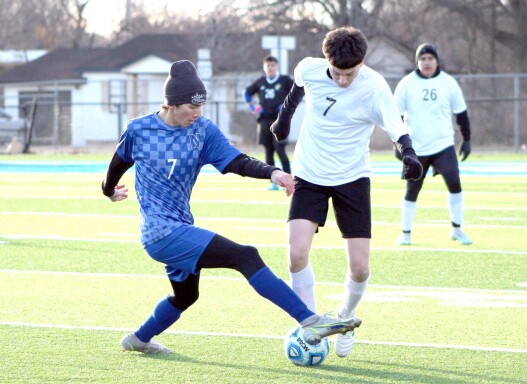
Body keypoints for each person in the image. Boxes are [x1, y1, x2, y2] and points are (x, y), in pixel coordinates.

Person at [101, 60, 361, 354]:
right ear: (171, 104)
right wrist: (108, 190)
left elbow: (237, 161)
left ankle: (138, 340)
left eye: (202, 106)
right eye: (191, 106)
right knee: (245, 256)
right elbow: (118, 162)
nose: (198, 113)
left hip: (180, 226)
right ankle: (309, 320)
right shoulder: (139, 130)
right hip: (159, 232)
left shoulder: (202, 131)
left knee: (186, 296)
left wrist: (272, 172)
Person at [270, 27, 423, 358]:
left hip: (352, 178)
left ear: (362, 63)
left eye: (349, 74)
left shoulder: (375, 86)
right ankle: (311, 323)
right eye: (337, 74)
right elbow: (296, 90)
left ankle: (345, 315)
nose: (342, 80)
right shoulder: (310, 67)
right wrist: (283, 122)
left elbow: (397, 128)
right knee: (296, 253)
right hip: (309, 173)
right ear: (327, 62)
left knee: (359, 268)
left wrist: (409, 154)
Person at [393, 43, 472, 246]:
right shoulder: (406, 84)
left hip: (443, 145)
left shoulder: (448, 83)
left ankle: (457, 229)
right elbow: (395, 117)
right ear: (417, 62)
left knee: (454, 182)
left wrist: (467, 139)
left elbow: (461, 113)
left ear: (436, 60)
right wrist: (398, 144)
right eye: (423, 59)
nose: (426, 63)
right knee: (412, 189)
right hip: (416, 147)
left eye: (430, 58)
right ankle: (406, 233)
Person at [243, 55, 294, 190]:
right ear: (264, 67)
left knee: (280, 150)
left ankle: (288, 180)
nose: (270, 68)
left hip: (280, 121)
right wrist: (252, 106)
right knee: (268, 151)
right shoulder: (260, 82)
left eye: (272, 65)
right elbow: (246, 93)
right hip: (264, 121)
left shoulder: (284, 81)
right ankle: (273, 182)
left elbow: (297, 91)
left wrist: (287, 106)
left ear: (276, 66)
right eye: (268, 66)